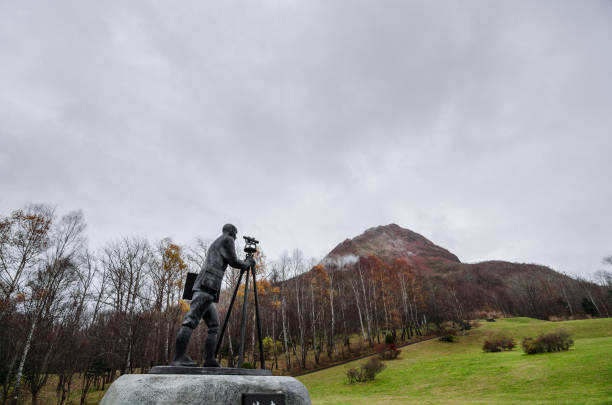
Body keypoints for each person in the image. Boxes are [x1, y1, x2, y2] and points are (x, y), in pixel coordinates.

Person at [171, 223, 255, 367]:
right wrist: (247, 262)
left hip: (207, 288)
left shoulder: (217, 242)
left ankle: (209, 359)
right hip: (206, 286)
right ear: (232, 232)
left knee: (214, 325)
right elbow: (233, 261)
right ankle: (178, 357)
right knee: (190, 320)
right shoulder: (227, 240)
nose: (235, 237)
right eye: (235, 233)